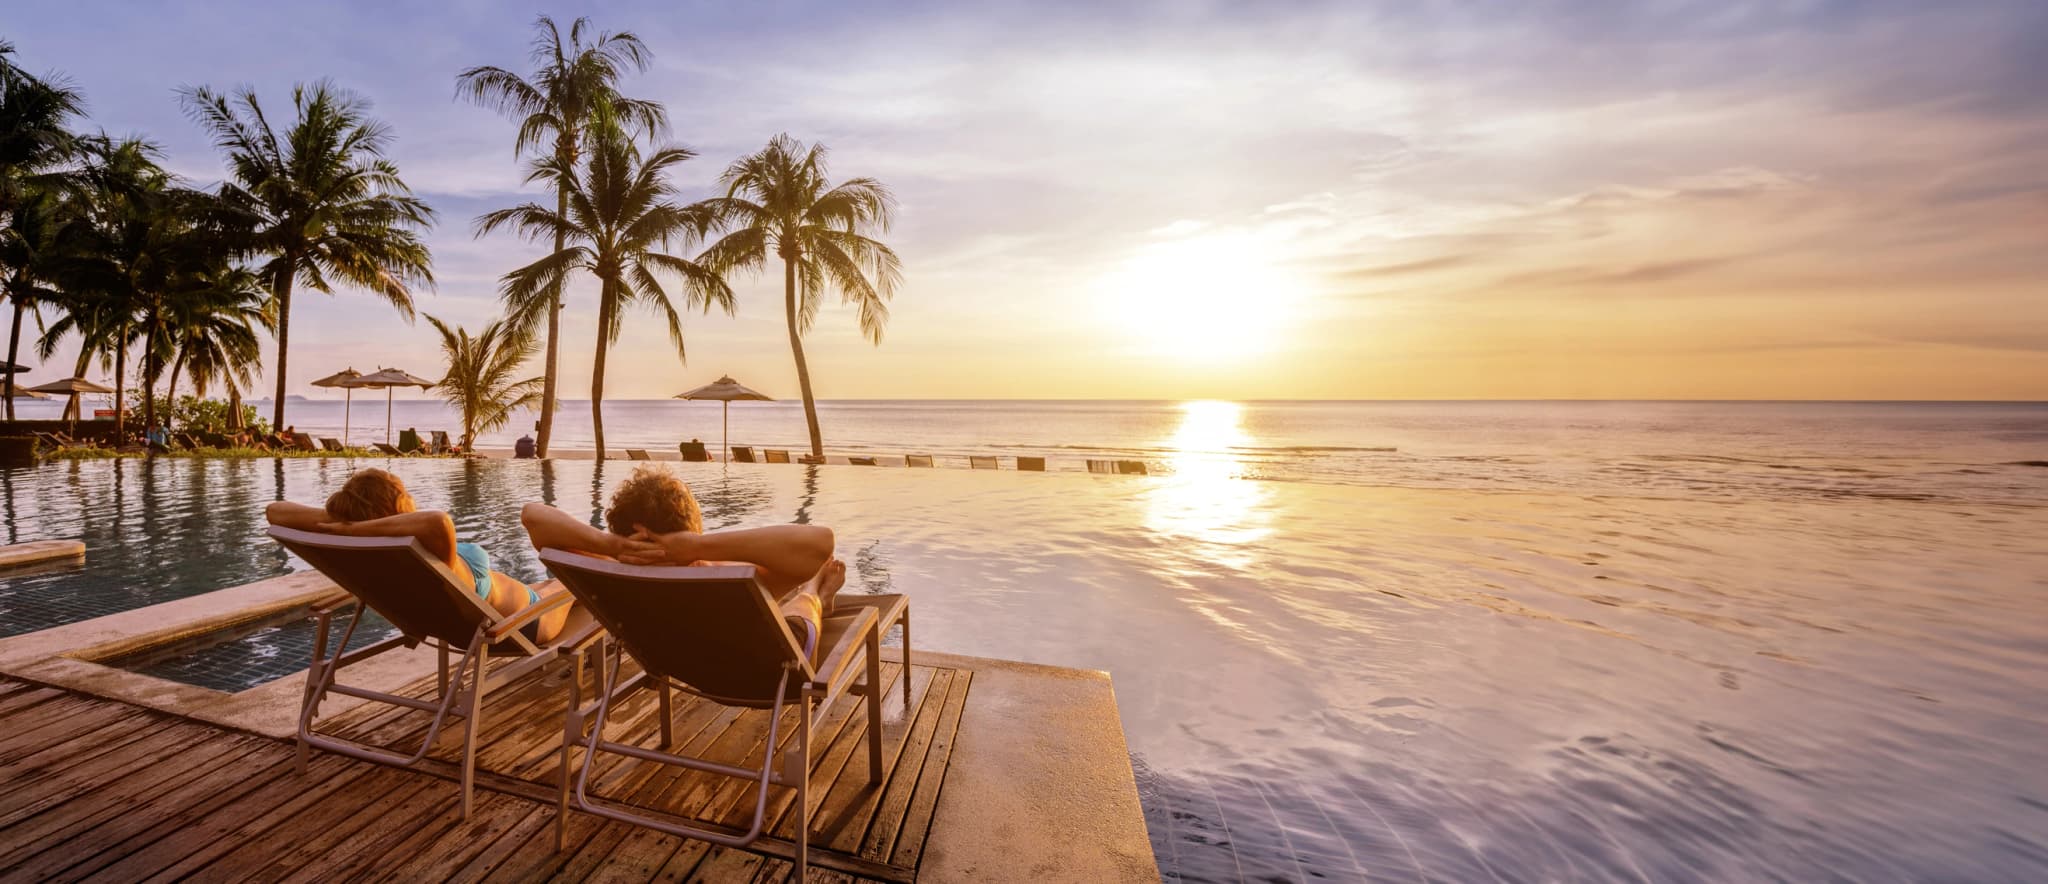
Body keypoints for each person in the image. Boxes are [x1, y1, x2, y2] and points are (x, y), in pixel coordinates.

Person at [520, 465, 845, 650]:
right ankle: (816, 593)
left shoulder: (612, 571)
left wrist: (610, 546)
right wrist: (699, 548)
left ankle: (812, 591)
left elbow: (533, 517)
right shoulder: (733, 577)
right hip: (760, 669)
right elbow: (819, 544)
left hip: (670, 660)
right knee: (801, 602)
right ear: (692, 528)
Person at [266, 468, 577, 642]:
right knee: (578, 579)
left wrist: (352, 524)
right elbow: (438, 521)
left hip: (463, 622)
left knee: (554, 579)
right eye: (406, 492)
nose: (412, 496)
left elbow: (275, 511)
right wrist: (356, 526)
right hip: (525, 623)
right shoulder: (430, 546)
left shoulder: (383, 552)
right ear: (398, 504)